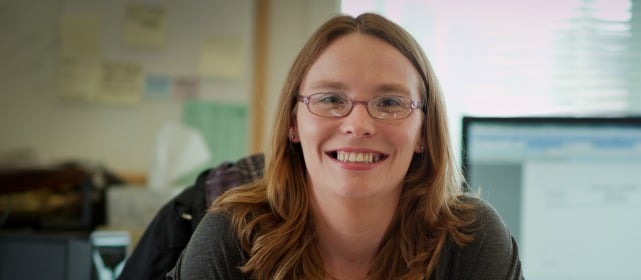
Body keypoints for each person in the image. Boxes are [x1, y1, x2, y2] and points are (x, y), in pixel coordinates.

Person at [168, 12, 523, 280]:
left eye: (389, 103)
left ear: (424, 133)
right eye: (331, 98)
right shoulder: (232, 237)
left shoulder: (471, 240)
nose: (358, 125)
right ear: (293, 123)